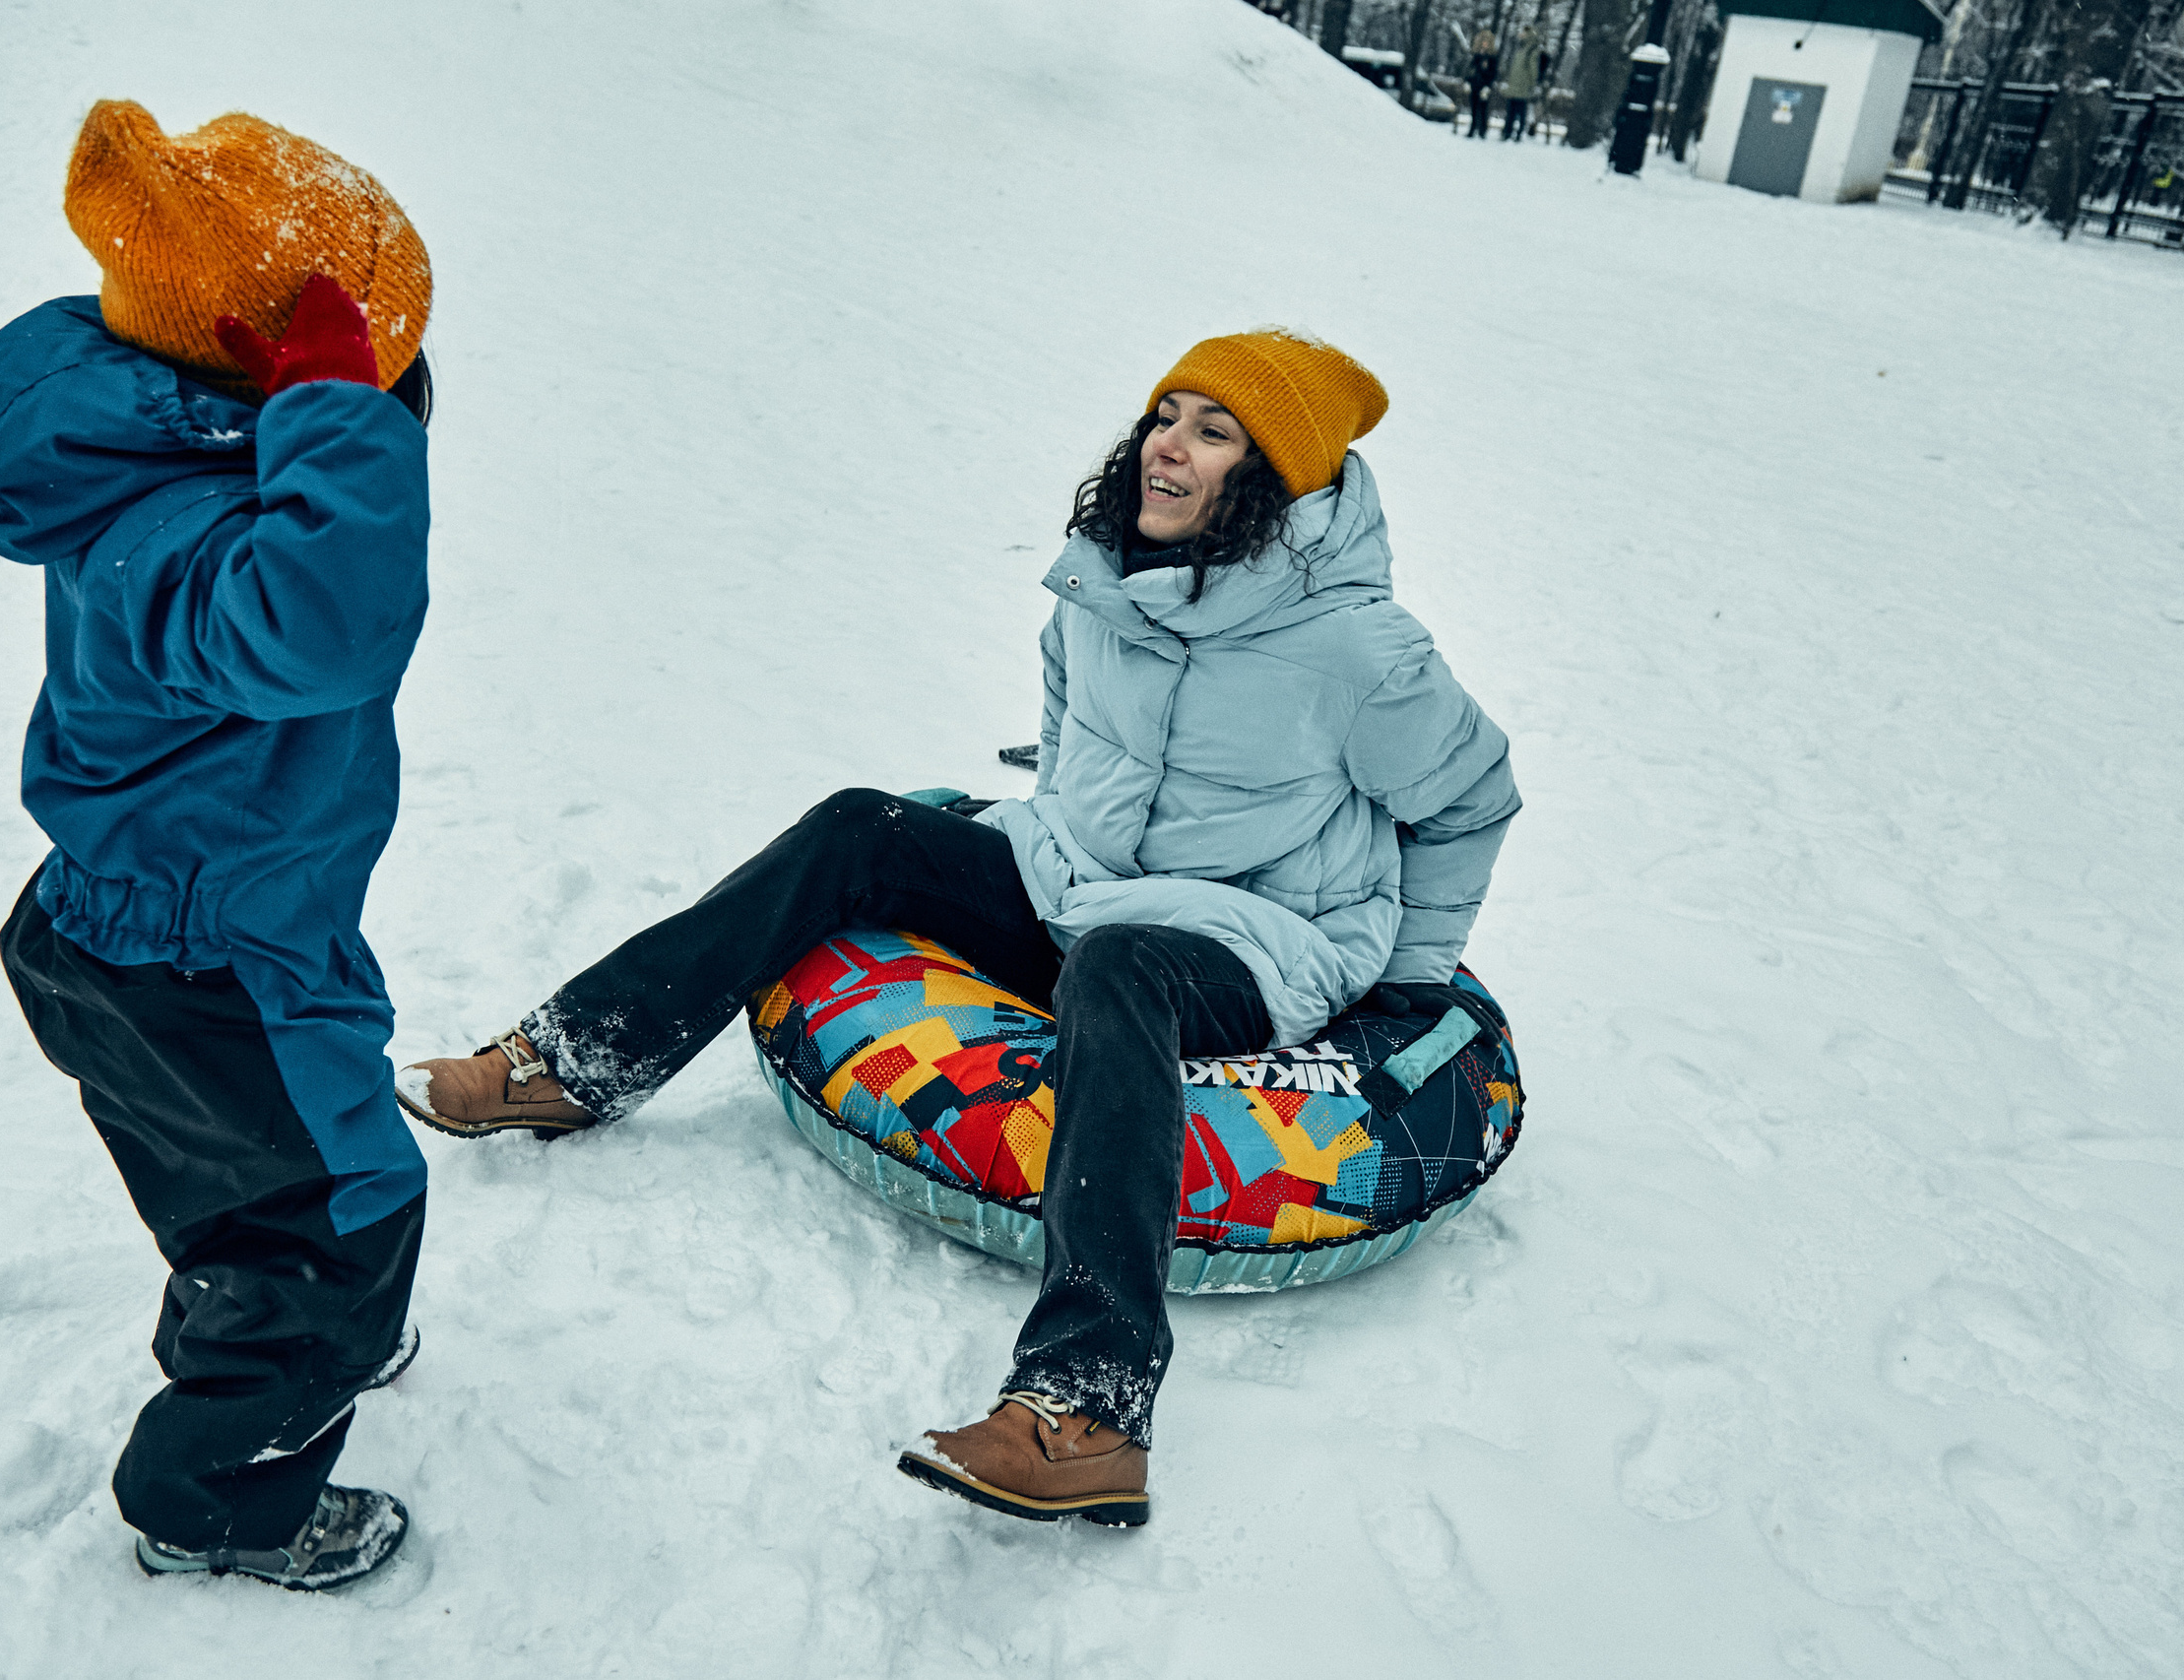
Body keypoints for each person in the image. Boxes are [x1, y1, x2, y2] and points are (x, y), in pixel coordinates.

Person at [401, 330, 1519, 1526]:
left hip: (1256, 934)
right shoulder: (1100, 576)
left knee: (1118, 968)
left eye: (1211, 430)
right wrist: (1051, 820)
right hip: (1078, 873)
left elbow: (1471, 795)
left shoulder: (1357, 649)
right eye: (1164, 413)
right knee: (856, 829)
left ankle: (1086, 1406)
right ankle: (572, 1061)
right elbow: (1064, 704)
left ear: (1272, 475)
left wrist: (1406, 982)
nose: (1167, 447)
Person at [0, 101, 438, 1590]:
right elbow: (328, 626)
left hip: (180, 919)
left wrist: (330, 408)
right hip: (200, 955)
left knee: (253, 1185)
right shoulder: (186, 534)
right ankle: (221, 1492)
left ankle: (273, 1307)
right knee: (345, 1216)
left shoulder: (167, 442)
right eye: (367, 366)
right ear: (264, 372)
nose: (396, 388)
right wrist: (336, 416)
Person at [1501, 23, 1545, 140]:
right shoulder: (1521, 48)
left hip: (1522, 87)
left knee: (1521, 112)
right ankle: (1507, 132)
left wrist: (1531, 84)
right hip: (1514, 86)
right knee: (1511, 111)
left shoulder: (1531, 50)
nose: (1521, 34)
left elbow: (1533, 70)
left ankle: (1519, 133)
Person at [1466, 29, 1502, 139]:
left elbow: (1493, 73)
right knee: (1474, 108)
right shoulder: (1476, 55)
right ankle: (1472, 128)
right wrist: (1467, 81)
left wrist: (1488, 86)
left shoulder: (1492, 57)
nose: (1484, 43)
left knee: (1483, 109)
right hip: (1475, 85)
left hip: (1484, 86)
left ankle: (1482, 130)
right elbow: (1470, 70)